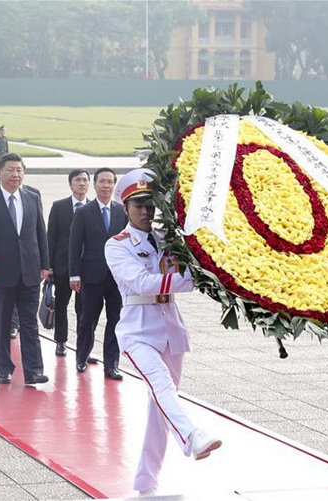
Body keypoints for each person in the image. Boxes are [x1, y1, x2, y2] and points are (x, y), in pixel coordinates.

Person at [105, 168, 222, 497]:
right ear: (125, 209)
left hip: (171, 329)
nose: (145, 211)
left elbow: (188, 268)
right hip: (137, 331)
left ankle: (146, 484)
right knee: (162, 385)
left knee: (159, 407)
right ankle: (192, 437)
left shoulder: (169, 240)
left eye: (150, 205)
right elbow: (142, 283)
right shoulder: (117, 246)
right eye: (138, 205)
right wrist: (189, 280)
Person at [0, 152, 49, 385]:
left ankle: (34, 370)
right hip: (1, 272)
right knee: (3, 323)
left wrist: (45, 265)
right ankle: (3, 368)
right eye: (10, 170)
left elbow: (40, 232)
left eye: (19, 170)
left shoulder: (32, 197)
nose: (15, 174)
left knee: (29, 322)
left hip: (30, 271)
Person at [69, 168, 127, 379]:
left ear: (114, 185)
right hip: (91, 276)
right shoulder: (84, 212)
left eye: (110, 182)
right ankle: (82, 356)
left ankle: (111, 365)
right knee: (87, 320)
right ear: (95, 185)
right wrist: (74, 274)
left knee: (116, 320)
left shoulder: (122, 212)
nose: (106, 186)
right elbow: (74, 245)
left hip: (116, 278)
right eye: (102, 181)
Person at [47, 169, 90, 356]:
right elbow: (51, 238)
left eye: (85, 180)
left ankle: (83, 345)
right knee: (61, 304)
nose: (82, 183)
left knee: (84, 308)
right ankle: (61, 341)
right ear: (70, 184)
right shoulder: (59, 206)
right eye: (78, 180)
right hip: (62, 266)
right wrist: (48, 266)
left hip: (86, 268)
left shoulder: (94, 208)